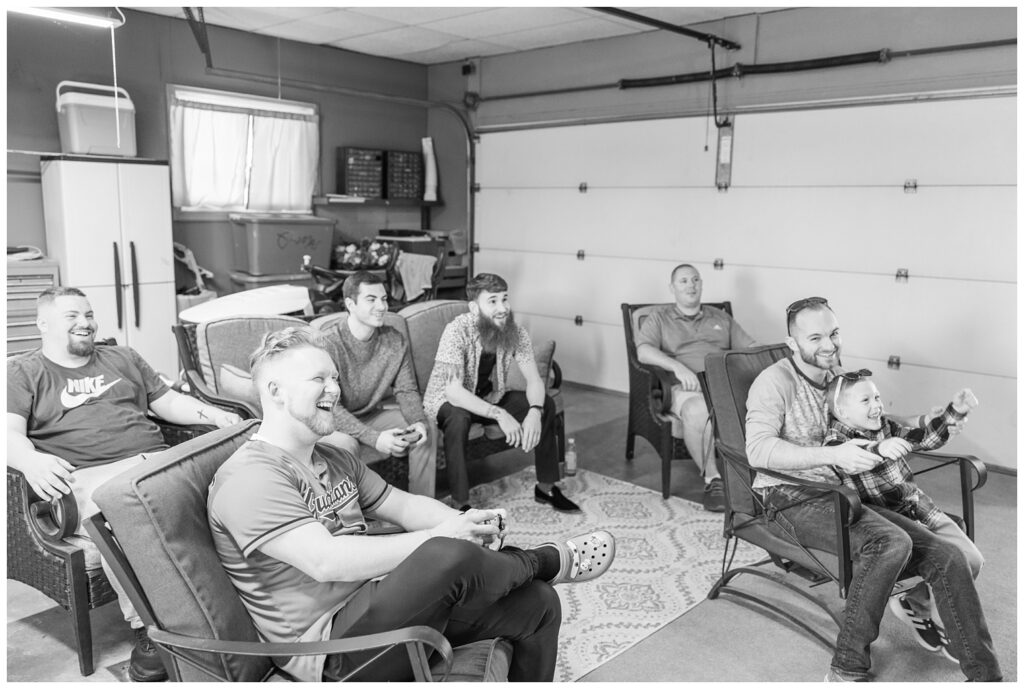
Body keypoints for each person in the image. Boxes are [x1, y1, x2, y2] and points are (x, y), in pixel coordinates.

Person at [207, 327, 616, 682]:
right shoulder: (250, 477)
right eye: (319, 378)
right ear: (275, 392)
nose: (335, 389)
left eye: (335, 377)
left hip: (383, 607)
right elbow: (326, 561)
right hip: (330, 651)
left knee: (538, 605)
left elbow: (402, 506)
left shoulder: (333, 456)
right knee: (442, 551)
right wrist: (447, 536)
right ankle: (540, 561)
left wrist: (465, 520)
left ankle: (530, 570)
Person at [744, 296, 1000, 682]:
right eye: (815, 338)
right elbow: (757, 450)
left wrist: (929, 420)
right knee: (892, 542)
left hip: (844, 491)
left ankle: (986, 675)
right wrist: (833, 456)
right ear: (792, 343)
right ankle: (847, 665)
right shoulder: (774, 382)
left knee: (948, 554)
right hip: (788, 495)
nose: (829, 345)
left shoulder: (836, 375)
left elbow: (873, 422)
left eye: (834, 333)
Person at [7, 286, 242, 682]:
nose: (85, 323)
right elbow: (7, 434)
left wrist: (212, 413)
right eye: (72, 317)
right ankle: (149, 631)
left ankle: (245, 604)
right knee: (119, 513)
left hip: (154, 462)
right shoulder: (23, 371)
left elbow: (166, 402)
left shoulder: (123, 357)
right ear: (43, 324)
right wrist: (29, 460)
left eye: (88, 314)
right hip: (88, 477)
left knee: (234, 487)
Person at [824, 374, 985, 660]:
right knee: (948, 561)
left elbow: (925, 438)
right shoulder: (835, 441)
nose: (876, 405)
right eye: (866, 400)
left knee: (973, 560)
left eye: (876, 397)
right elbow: (849, 455)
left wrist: (954, 412)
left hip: (920, 507)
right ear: (842, 412)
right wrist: (879, 448)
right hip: (891, 522)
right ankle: (941, 622)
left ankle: (920, 605)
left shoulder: (886, 426)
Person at [422, 273, 578, 512]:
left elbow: (535, 380)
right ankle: (461, 503)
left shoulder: (515, 332)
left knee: (545, 404)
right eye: (493, 301)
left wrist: (535, 412)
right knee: (458, 418)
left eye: (505, 299)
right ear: (474, 307)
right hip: (449, 402)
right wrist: (499, 415)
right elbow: (453, 392)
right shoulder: (456, 332)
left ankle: (546, 487)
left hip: (489, 397)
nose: (503, 308)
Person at [635, 263, 757, 511]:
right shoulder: (659, 318)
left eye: (695, 280)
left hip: (724, 384)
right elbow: (644, 351)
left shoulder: (720, 317)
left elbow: (750, 346)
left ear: (701, 284)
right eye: (683, 281)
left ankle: (762, 477)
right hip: (684, 388)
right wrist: (677, 368)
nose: (690, 285)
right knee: (698, 410)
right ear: (672, 287)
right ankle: (714, 479)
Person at [319, 271, 436, 496]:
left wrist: (417, 421)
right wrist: (374, 438)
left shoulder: (394, 339)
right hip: (329, 421)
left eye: (383, 299)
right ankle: (349, 520)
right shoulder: (328, 342)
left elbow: (406, 389)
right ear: (350, 304)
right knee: (346, 445)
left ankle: (422, 505)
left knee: (426, 427)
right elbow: (329, 406)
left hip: (371, 415)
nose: (382, 306)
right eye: (371, 299)